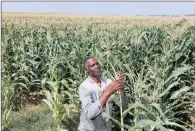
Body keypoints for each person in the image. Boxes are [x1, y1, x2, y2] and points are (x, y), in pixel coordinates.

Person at [78, 56, 128, 131]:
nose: (96, 66)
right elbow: (90, 113)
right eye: (92, 65)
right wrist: (108, 91)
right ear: (86, 70)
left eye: (97, 63)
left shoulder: (107, 82)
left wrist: (120, 85)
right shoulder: (84, 87)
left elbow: (123, 104)